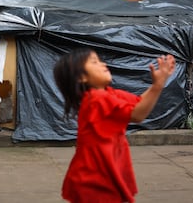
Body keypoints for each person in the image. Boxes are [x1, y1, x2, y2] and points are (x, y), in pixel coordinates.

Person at [53, 48, 176, 203]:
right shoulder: (97, 99)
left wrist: (157, 84)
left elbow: (138, 103)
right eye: (94, 62)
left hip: (100, 175)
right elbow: (138, 114)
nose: (103, 64)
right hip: (94, 180)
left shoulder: (109, 94)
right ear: (82, 77)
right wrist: (158, 86)